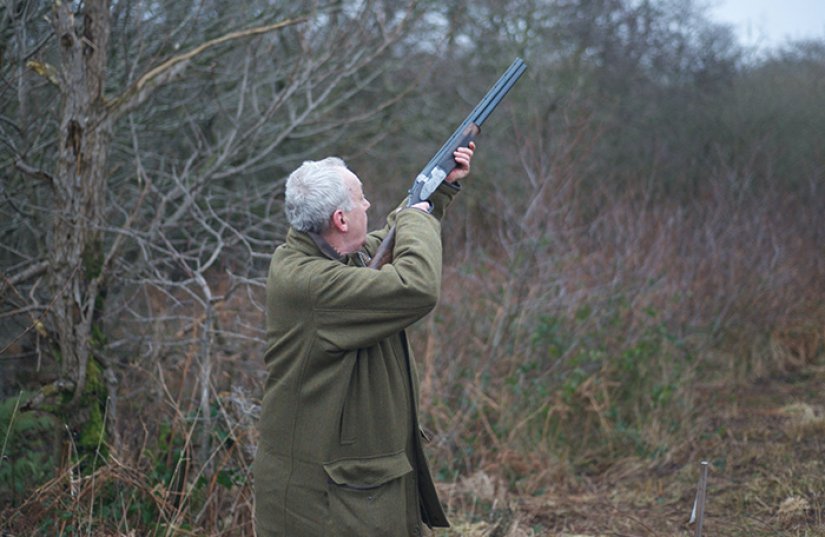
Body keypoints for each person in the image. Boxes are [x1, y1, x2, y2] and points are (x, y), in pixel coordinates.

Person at [253, 142, 475, 537]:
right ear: (340, 218)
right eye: (360, 200)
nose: (369, 205)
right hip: (330, 504)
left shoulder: (329, 257)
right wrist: (418, 220)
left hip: (352, 491)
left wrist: (436, 191)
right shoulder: (312, 283)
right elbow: (416, 286)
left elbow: (383, 243)